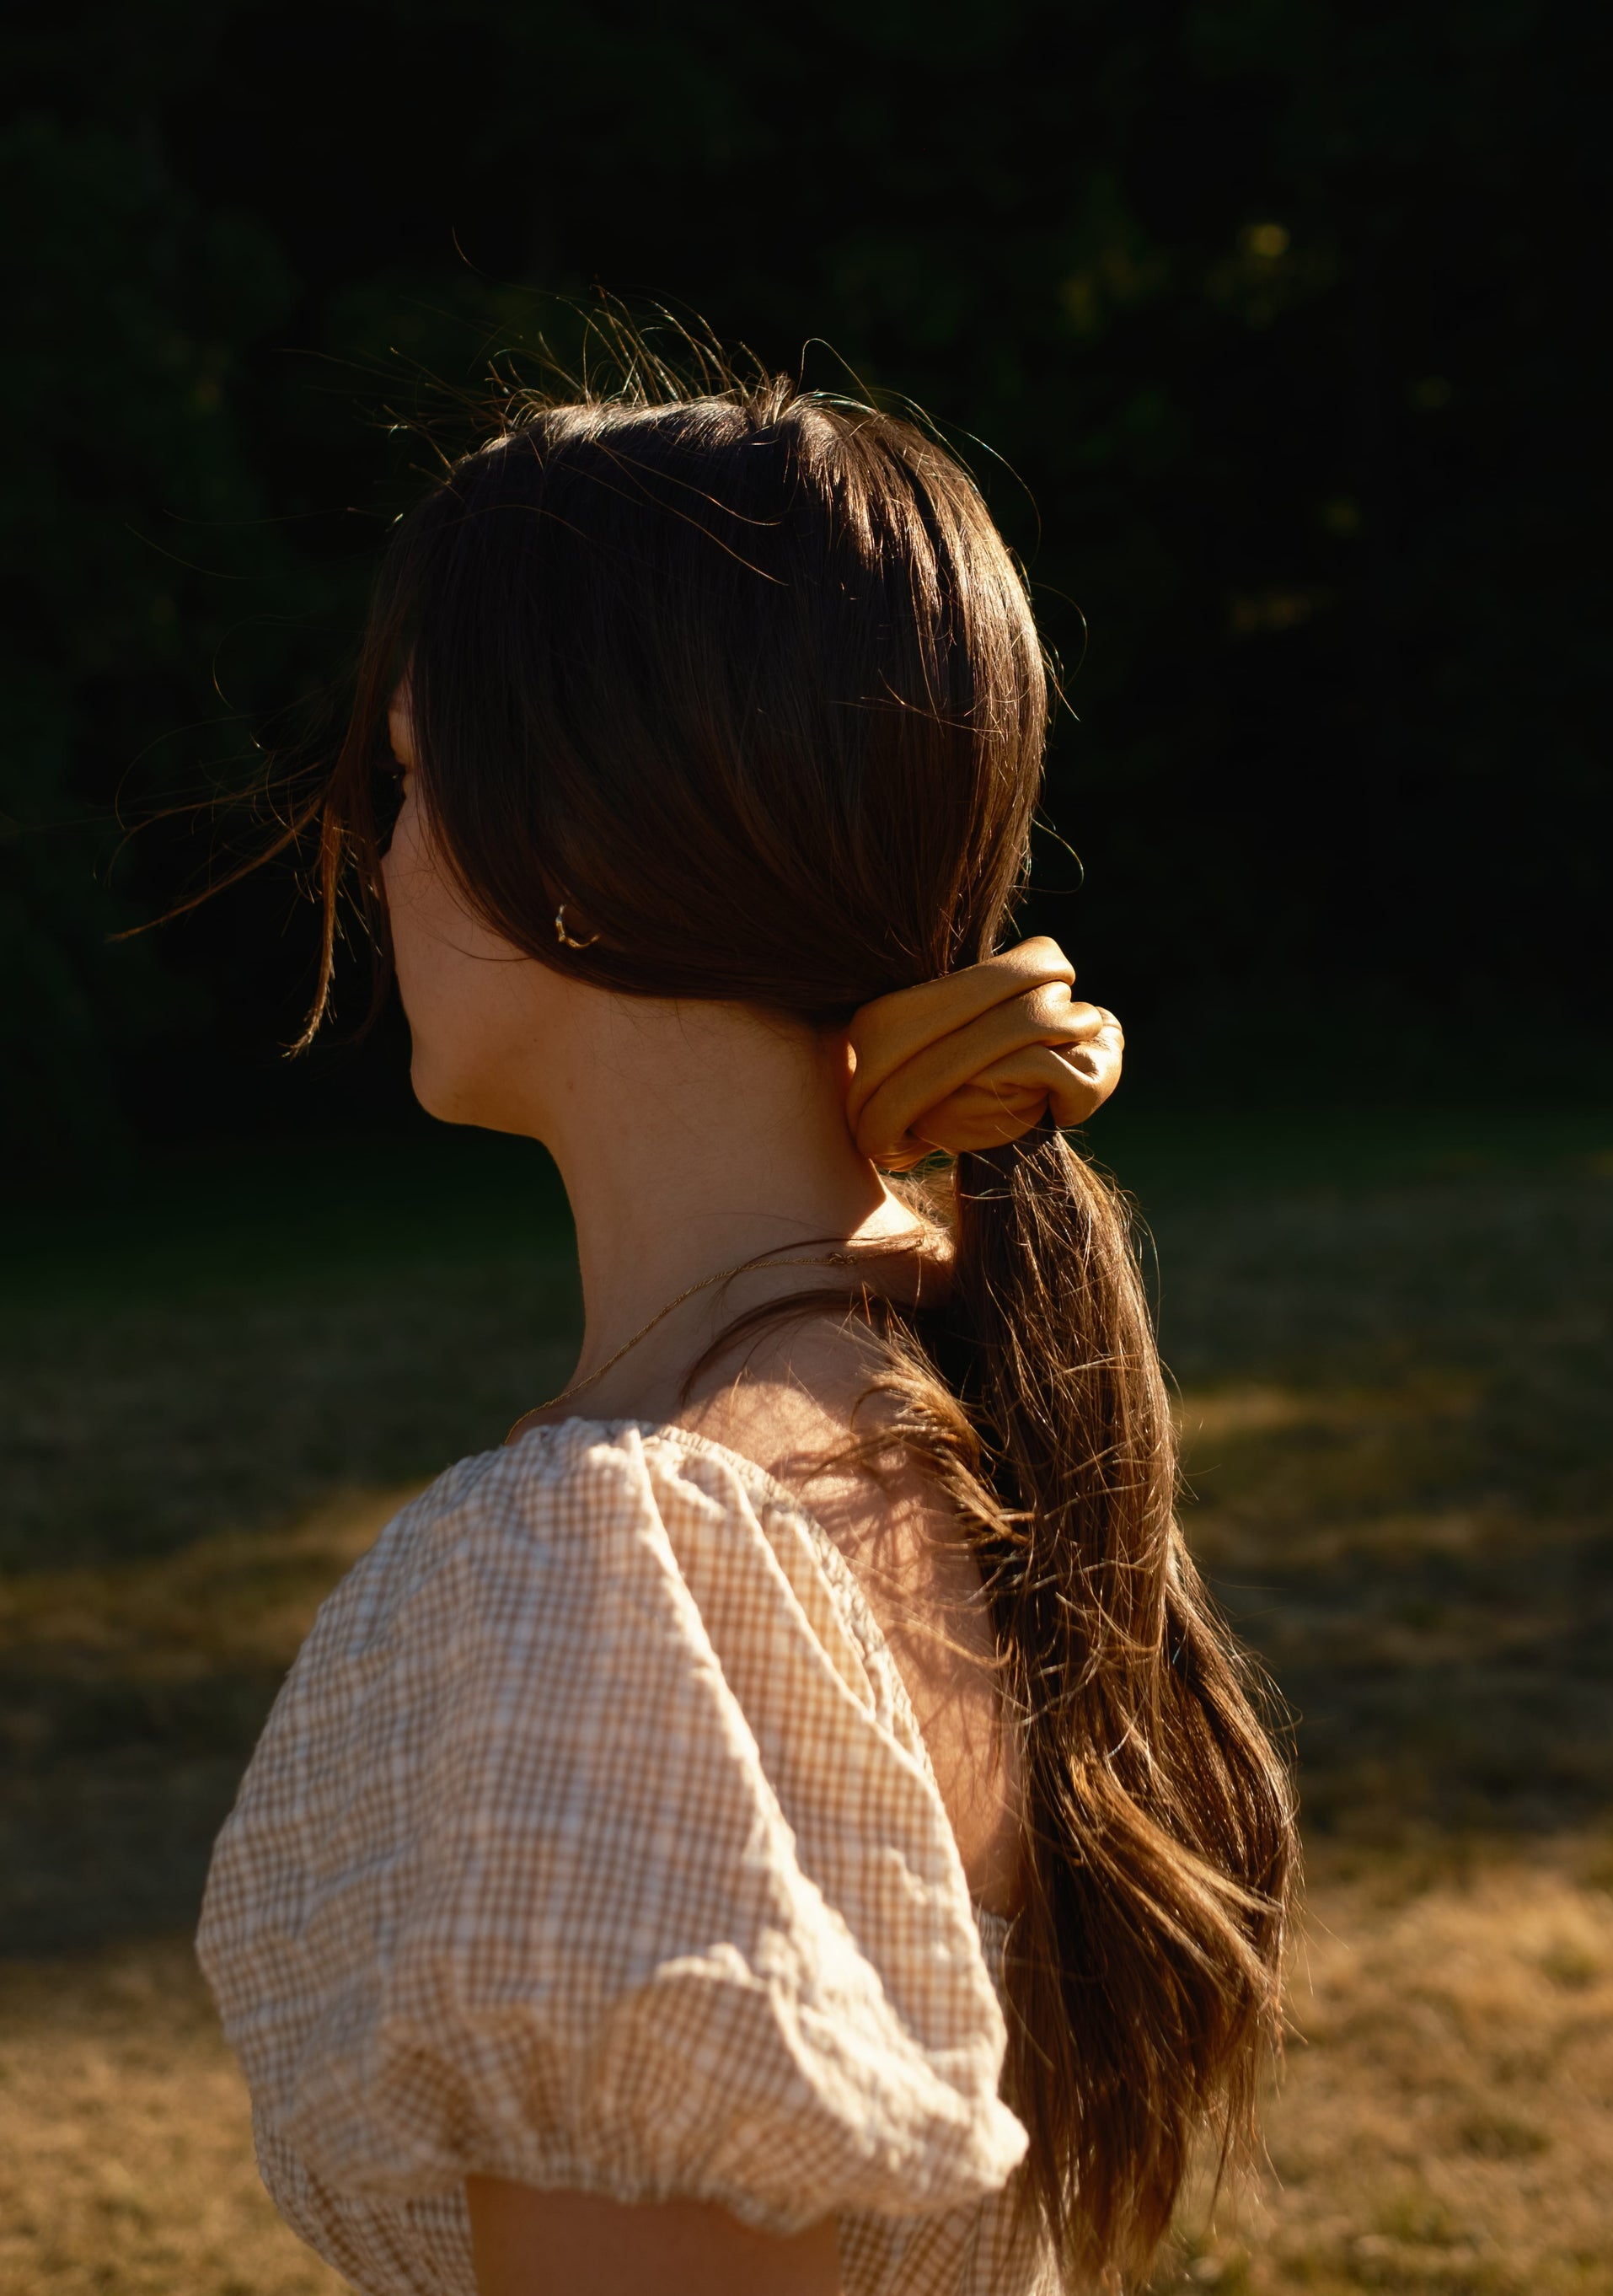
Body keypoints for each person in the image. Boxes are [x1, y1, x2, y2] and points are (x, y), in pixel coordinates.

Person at [198, 364, 1296, 2296]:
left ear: (582, 845)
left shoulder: (622, 1574)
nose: (380, 857)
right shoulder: (937, 1395)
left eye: (413, 779)